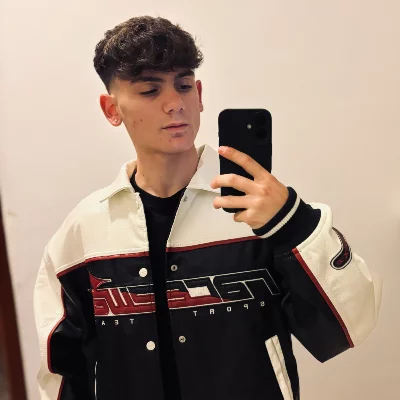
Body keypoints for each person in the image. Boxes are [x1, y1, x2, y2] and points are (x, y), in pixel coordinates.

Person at [33, 15, 382, 400]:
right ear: (111, 109)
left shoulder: (263, 212)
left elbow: (353, 323)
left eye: (183, 86)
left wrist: (292, 223)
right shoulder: (84, 233)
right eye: (150, 90)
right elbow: (62, 372)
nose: (174, 104)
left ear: (199, 94)